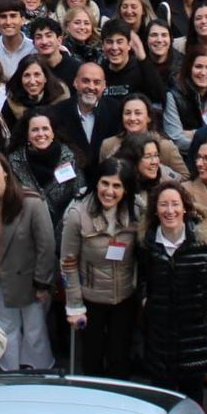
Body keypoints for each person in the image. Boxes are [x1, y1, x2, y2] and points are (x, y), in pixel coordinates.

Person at [138, 182, 207, 404]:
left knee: (192, 398)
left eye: (174, 204)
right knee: (162, 398)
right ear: (155, 210)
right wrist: (144, 299)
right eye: (163, 205)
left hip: (196, 335)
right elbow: (141, 277)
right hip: (160, 336)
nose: (169, 211)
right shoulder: (148, 244)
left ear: (185, 208)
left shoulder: (205, 243)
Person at [0, 150, 59, 370]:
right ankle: (9, 371)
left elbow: (46, 245)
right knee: (4, 329)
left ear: (5, 172)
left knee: (35, 331)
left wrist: (43, 283)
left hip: (30, 281)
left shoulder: (31, 202)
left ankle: (39, 371)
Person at [59, 159, 139, 378]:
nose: (109, 191)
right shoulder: (78, 214)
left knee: (120, 357)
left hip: (124, 297)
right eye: (105, 183)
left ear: (126, 189)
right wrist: (74, 305)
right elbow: (68, 262)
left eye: (117, 186)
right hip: (91, 299)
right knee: (92, 357)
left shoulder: (137, 211)